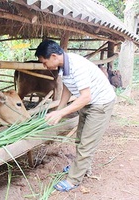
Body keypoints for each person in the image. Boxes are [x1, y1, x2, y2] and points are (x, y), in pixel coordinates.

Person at [35, 40, 116, 192]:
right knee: (80, 138)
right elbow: (67, 87)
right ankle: (82, 167)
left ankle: (73, 180)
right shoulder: (63, 66)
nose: (45, 66)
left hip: (101, 103)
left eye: (45, 62)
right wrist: (59, 109)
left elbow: (86, 97)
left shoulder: (76, 66)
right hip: (89, 102)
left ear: (54, 56)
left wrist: (61, 112)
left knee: (86, 143)